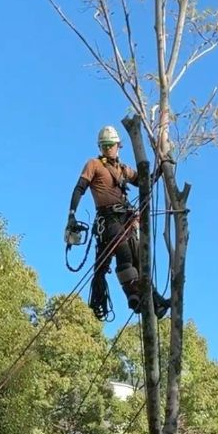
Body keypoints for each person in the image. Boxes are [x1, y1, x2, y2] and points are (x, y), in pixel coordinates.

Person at [65, 125, 170, 320]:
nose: (107, 149)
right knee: (124, 252)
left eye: (110, 145)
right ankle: (132, 295)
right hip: (108, 219)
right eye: (104, 146)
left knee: (140, 256)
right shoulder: (93, 164)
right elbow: (79, 188)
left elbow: (144, 181)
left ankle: (156, 301)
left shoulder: (123, 169)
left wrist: (162, 168)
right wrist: (71, 214)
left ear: (118, 146)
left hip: (126, 218)